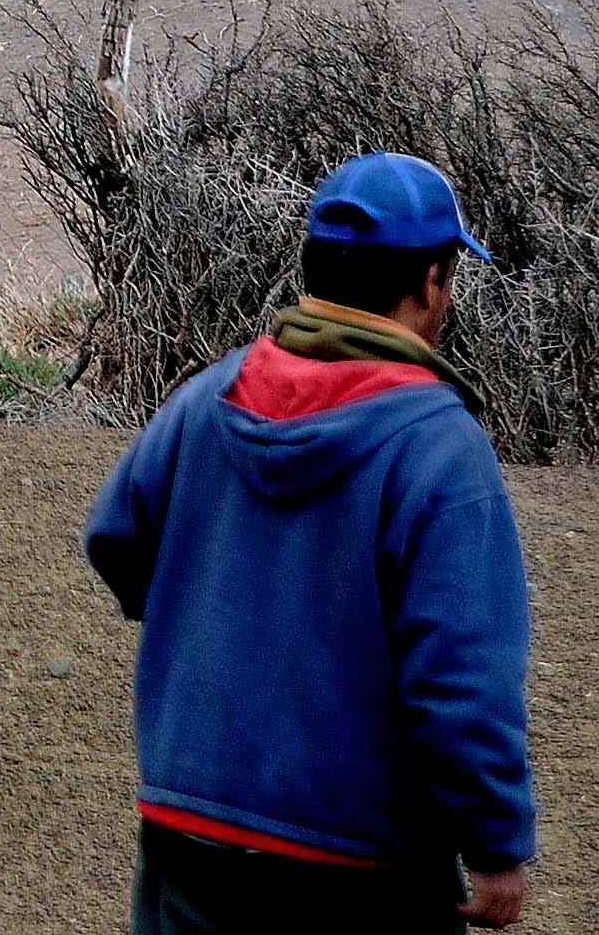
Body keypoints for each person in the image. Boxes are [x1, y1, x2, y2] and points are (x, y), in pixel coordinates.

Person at [83, 151, 537, 932]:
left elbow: (116, 540)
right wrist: (497, 842)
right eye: (451, 275)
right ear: (430, 284)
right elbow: (460, 676)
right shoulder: (439, 447)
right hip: (363, 865)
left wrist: (209, 609)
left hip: (189, 827)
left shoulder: (207, 397)